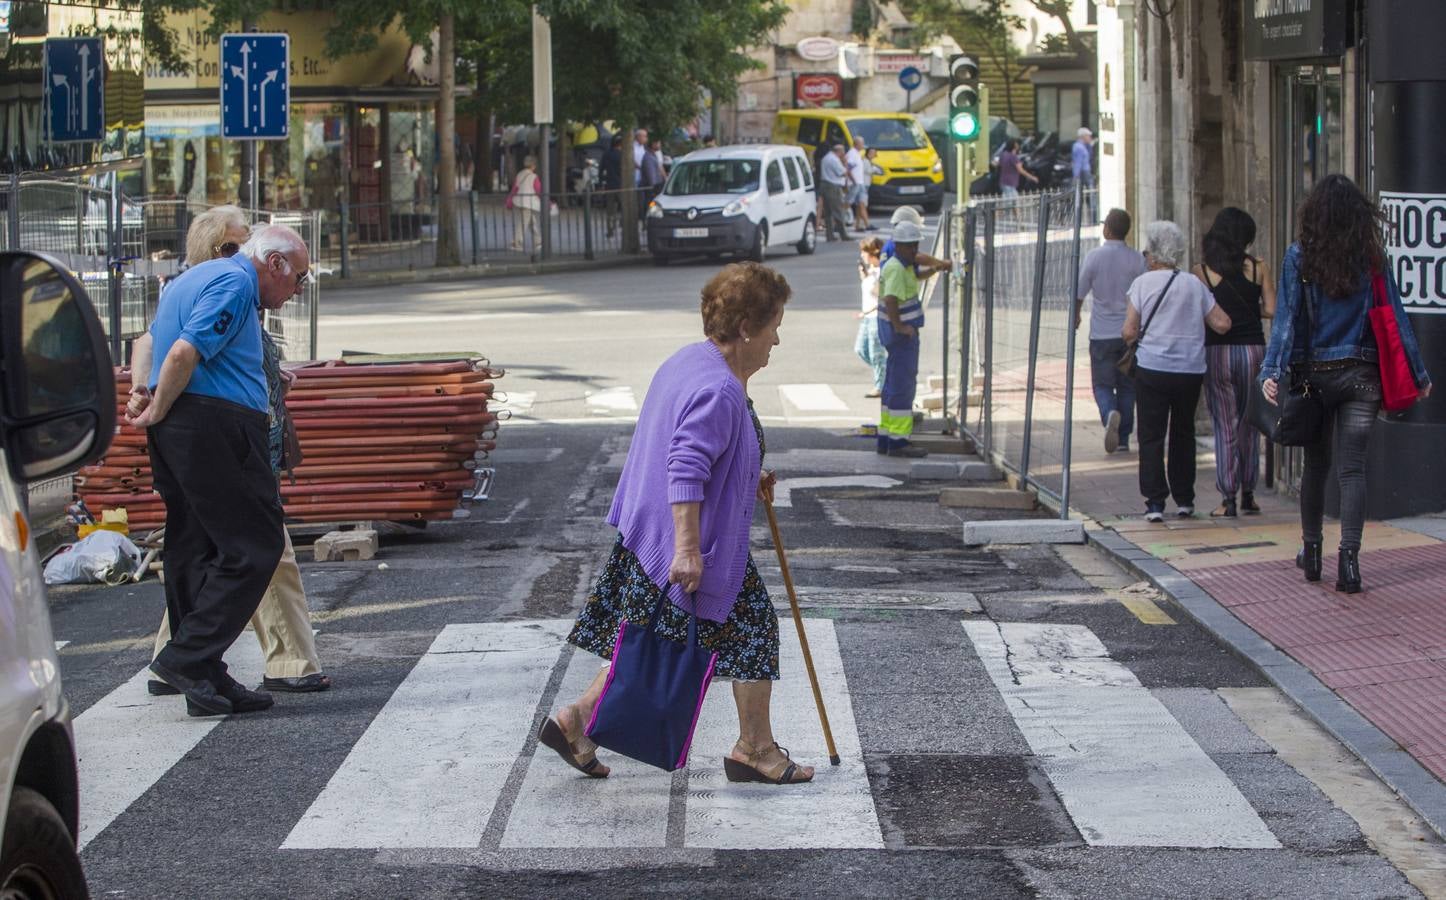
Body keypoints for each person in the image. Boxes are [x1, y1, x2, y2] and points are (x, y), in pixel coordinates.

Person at [539, 262, 814, 786]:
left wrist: (744, 475)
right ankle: (754, 749)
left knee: (650, 640)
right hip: (686, 546)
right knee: (750, 630)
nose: (778, 339)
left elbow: (699, 451)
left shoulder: (692, 362)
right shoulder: (720, 389)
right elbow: (685, 463)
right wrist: (688, 550)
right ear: (746, 329)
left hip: (651, 536)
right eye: (775, 324)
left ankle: (577, 723)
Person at [130, 208, 332, 698]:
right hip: (216, 426)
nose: (298, 289)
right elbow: (181, 353)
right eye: (299, 277)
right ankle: (188, 657)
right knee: (256, 545)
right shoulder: (236, 283)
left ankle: (198, 670)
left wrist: (149, 396)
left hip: (185, 426)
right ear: (276, 263)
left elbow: (151, 343)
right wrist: (156, 406)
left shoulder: (186, 281)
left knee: (192, 545)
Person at [1260, 174, 1432, 593]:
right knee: (1353, 470)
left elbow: (1286, 320)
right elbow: (1396, 318)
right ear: (1360, 215)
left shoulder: (1298, 258)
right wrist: (1418, 373)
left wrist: (1271, 370)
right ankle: (1350, 564)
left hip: (1312, 378)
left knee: (1316, 467)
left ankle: (1312, 551)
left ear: (1313, 213)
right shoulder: (1371, 258)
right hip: (1362, 376)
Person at [1123, 220, 1233, 522]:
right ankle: (1185, 500)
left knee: (1151, 435)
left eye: (1147, 251)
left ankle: (1155, 502)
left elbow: (1129, 331)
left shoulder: (1142, 284)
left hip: (1153, 369)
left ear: (1154, 254)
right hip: (1189, 371)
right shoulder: (1193, 284)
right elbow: (1222, 323)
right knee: (1183, 433)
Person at [1192, 207, 1277, 518]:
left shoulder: (1201, 272)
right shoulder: (1258, 268)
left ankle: (1227, 497)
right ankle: (1249, 493)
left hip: (1218, 352)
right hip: (1254, 349)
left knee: (1224, 423)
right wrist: (1250, 307)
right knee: (1249, 421)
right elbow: (1271, 309)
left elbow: (1200, 312)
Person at [1077, 209, 1147, 454]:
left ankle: (1109, 414)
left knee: (1102, 385)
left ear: (1107, 229)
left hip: (1101, 335)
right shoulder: (1137, 259)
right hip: (1129, 334)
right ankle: (1124, 439)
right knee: (1128, 386)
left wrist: (1075, 314)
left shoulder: (1094, 257)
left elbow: (1079, 290)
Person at [876, 221, 932, 458]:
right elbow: (890, 300)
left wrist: (938, 267)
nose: (914, 251)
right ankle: (898, 441)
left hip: (896, 336)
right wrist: (901, 326)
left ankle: (886, 437)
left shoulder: (899, 265)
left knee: (892, 386)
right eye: (911, 246)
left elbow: (916, 278)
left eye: (915, 246)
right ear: (899, 246)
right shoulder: (897, 268)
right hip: (901, 336)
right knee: (903, 386)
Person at [855, 237, 886, 397]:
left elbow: (880, 296)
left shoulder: (882, 271)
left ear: (872, 253)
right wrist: (865, 276)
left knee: (876, 353)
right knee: (861, 349)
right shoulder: (872, 271)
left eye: (864, 252)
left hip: (875, 317)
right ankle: (885, 376)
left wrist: (866, 312)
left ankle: (881, 385)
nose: (862, 255)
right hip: (867, 317)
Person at [510, 155, 542, 254]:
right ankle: (517, 242)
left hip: (519, 201)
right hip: (529, 202)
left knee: (531, 222)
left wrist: (510, 199)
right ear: (533, 166)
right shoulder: (533, 176)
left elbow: (515, 188)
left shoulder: (519, 174)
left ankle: (538, 241)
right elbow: (538, 190)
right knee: (524, 223)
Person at [819, 143, 850, 242]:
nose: (844, 154)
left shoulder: (826, 158)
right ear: (839, 151)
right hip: (833, 186)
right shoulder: (834, 160)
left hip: (825, 185)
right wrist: (845, 163)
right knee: (838, 211)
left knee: (828, 212)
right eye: (843, 151)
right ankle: (843, 234)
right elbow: (843, 172)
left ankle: (829, 234)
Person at [845, 137, 871, 231]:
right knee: (847, 203)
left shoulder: (857, 154)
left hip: (859, 182)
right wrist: (853, 180)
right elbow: (848, 168)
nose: (863, 145)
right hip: (854, 183)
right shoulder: (852, 154)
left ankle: (862, 224)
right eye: (862, 143)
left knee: (861, 203)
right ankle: (837, 222)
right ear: (856, 144)